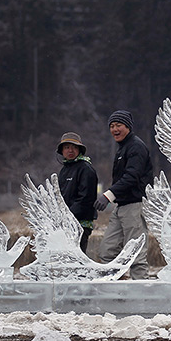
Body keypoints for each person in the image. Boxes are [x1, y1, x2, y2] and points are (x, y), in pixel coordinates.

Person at [94, 110, 154, 279]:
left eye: (118, 125)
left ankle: (140, 297)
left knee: (137, 256)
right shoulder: (122, 149)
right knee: (106, 251)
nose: (114, 129)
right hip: (120, 207)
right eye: (112, 126)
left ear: (128, 126)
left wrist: (108, 195)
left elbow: (131, 177)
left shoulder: (136, 147)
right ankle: (117, 289)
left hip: (135, 206)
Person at [57, 132, 99, 253]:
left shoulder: (86, 168)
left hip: (80, 224)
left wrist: (68, 216)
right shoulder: (64, 170)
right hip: (65, 223)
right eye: (67, 147)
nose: (71, 150)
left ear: (79, 150)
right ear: (62, 151)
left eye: (74, 147)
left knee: (76, 260)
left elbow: (86, 199)